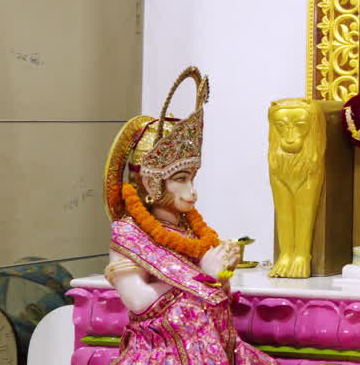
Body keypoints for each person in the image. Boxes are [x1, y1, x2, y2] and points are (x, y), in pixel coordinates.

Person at [102, 67, 274, 364]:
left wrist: (221, 270)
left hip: (211, 346)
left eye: (192, 178)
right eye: (180, 179)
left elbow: (207, 291)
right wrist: (200, 274)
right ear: (151, 182)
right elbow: (138, 301)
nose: (192, 191)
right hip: (161, 353)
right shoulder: (128, 234)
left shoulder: (188, 227)